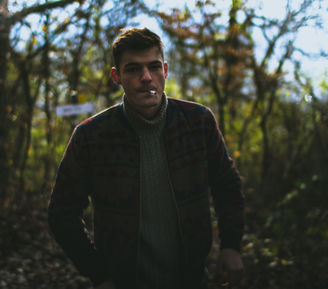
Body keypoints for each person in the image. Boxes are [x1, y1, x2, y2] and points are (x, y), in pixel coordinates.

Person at [48, 27, 244, 289]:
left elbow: (227, 186)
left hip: (192, 277)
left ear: (165, 70)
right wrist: (99, 274)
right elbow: (62, 213)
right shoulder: (91, 136)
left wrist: (231, 246)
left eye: (153, 67)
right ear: (116, 76)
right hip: (123, 281)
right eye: (133, 69)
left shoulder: (198, 122)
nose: (146, 77)